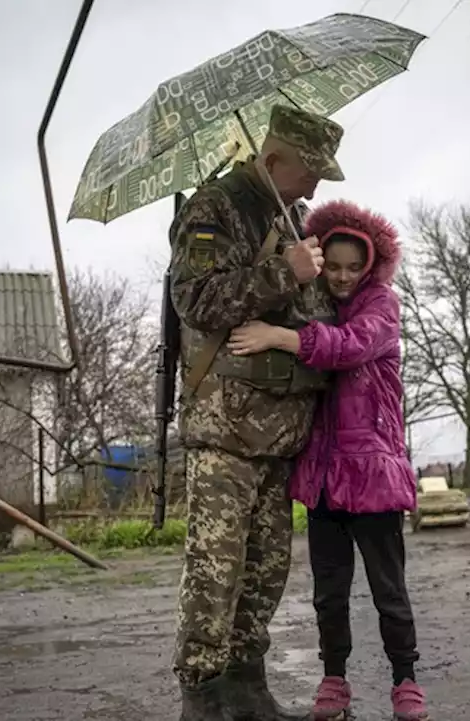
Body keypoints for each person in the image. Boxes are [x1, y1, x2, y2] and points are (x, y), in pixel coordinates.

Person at [167, 104, 346, 721]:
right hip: (224, 426)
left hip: (279, 429)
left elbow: (312, 317)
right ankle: (202, 695)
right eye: (312, 172)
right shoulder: (210, 208)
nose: (318, 186)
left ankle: (247, 690)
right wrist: (281, 272)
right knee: (215, 571)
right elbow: (196, 300)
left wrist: (321, 289)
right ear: (273, 161)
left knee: (267, 571)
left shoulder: (294, 218)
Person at [227, 199, 430, 721]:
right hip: (322, 477)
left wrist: (279, 337)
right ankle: (333, 680)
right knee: (328, 593)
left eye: (352, 268)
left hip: (373, 474)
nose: (341, 277)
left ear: (370, 266)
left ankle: (405, 681)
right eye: (332, 266)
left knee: (389, 588)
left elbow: (347, 347)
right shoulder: (311, 302)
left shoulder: (382, 307)